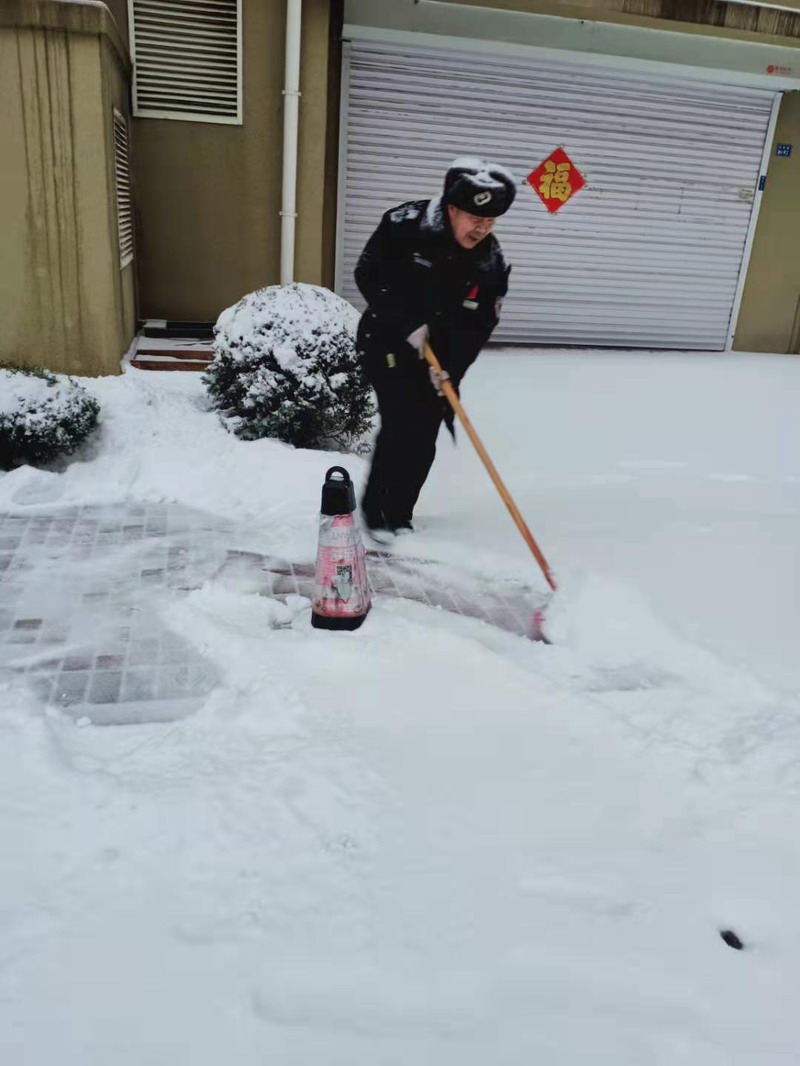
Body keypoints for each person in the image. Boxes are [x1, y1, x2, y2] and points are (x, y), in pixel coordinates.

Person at [354, 155, 516, 541]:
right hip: (386, 340)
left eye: (490, 221)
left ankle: (400, 515)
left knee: (425, 430)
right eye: (475, 218)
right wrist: (408, 323)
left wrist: (450, 369)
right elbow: (368, 273)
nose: (482, 228)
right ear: (452, 208)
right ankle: (376, 515)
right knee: (401, 422)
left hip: (439, 357)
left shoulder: (490, 262)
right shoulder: (405, 225)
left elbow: (481, 323)